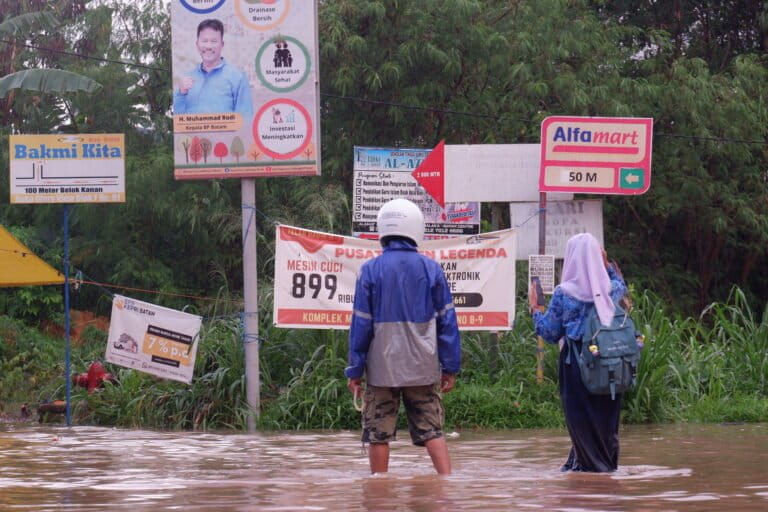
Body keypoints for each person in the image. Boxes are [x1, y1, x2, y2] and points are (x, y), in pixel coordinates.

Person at [346, 198, 462, 475]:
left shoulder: (370, 270)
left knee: (378, 434)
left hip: (381, 370)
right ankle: (448, 487)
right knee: (432, 430)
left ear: (383, 229)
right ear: (416, 229)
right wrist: (451, 367)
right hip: (422, 368)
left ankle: (378, 493)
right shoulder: (431, 269)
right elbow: (448, 323)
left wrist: (355, 370)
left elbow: (360, 325)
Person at [528, 232, 628, 472]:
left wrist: (535, 310)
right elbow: (621, 285)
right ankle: (603, 471)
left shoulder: (564, 293)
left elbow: (550, 333)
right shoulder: (610, 290)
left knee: (581, 422)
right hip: (610, 365)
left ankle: (588, 474)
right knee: (605, 422)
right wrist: (608, 267)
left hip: (577, 367)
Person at [173, 19, 253, 118]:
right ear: (197, 45)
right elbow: (178, 122)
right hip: (193, 134)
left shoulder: (238, 77)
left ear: (222, 45)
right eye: (204, 41)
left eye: (214, 41)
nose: (208, 46)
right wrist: (181, 94)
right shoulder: (186, 80)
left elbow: (246, 119)